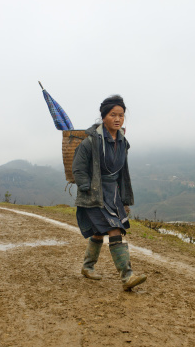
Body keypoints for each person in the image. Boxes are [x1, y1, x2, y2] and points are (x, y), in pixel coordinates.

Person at [72, 95, 147, 291]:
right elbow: (78, 169)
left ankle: (87, 267)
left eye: (121, 115)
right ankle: (127, 276)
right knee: (114, 229)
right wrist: (87, 187)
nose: (117, 119)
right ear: (103, 116)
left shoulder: (122, 142)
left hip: (113, 192)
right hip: (95, 193)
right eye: (113, 114)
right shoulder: (90, 142)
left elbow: (122, 172)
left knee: (99, 231)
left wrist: (124, 198)